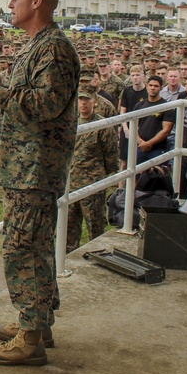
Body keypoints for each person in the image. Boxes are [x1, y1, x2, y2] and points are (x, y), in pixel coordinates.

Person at [0, 0, 79, 367]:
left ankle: (30, 338)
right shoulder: (38, 45)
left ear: (36, 1)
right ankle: (37, 321)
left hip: (35, 168)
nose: (9, 4)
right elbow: (29, 96)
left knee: (22, 248)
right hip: (26, 165)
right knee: (37, 245)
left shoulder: (54, 49)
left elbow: (46, 106)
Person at [66, 84, 116, 252]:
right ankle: (70, 255)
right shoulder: (70, 121)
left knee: (95, 224)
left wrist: (104, 177)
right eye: (80, 99)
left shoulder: (102, 125)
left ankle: (97, 254)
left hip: (92, 182)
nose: (83, 103)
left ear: (95, 101)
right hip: (71, 181)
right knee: (69, 226)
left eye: (87, 99)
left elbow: (111, 154)